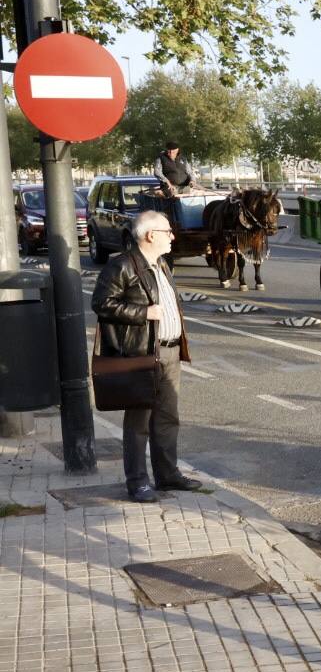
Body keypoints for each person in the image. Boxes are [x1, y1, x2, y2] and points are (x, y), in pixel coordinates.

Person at [91, 210, 201, 503]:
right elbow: (101, 303)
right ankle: (138, 482)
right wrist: (143, 313)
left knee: (167, 417)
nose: (173, 237)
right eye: (168, 232)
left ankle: (167, 475)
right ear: (151, 235)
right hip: (141, 354)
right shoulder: (123, 266)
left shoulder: (161, 263)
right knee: (139, 421)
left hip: (170, 350)